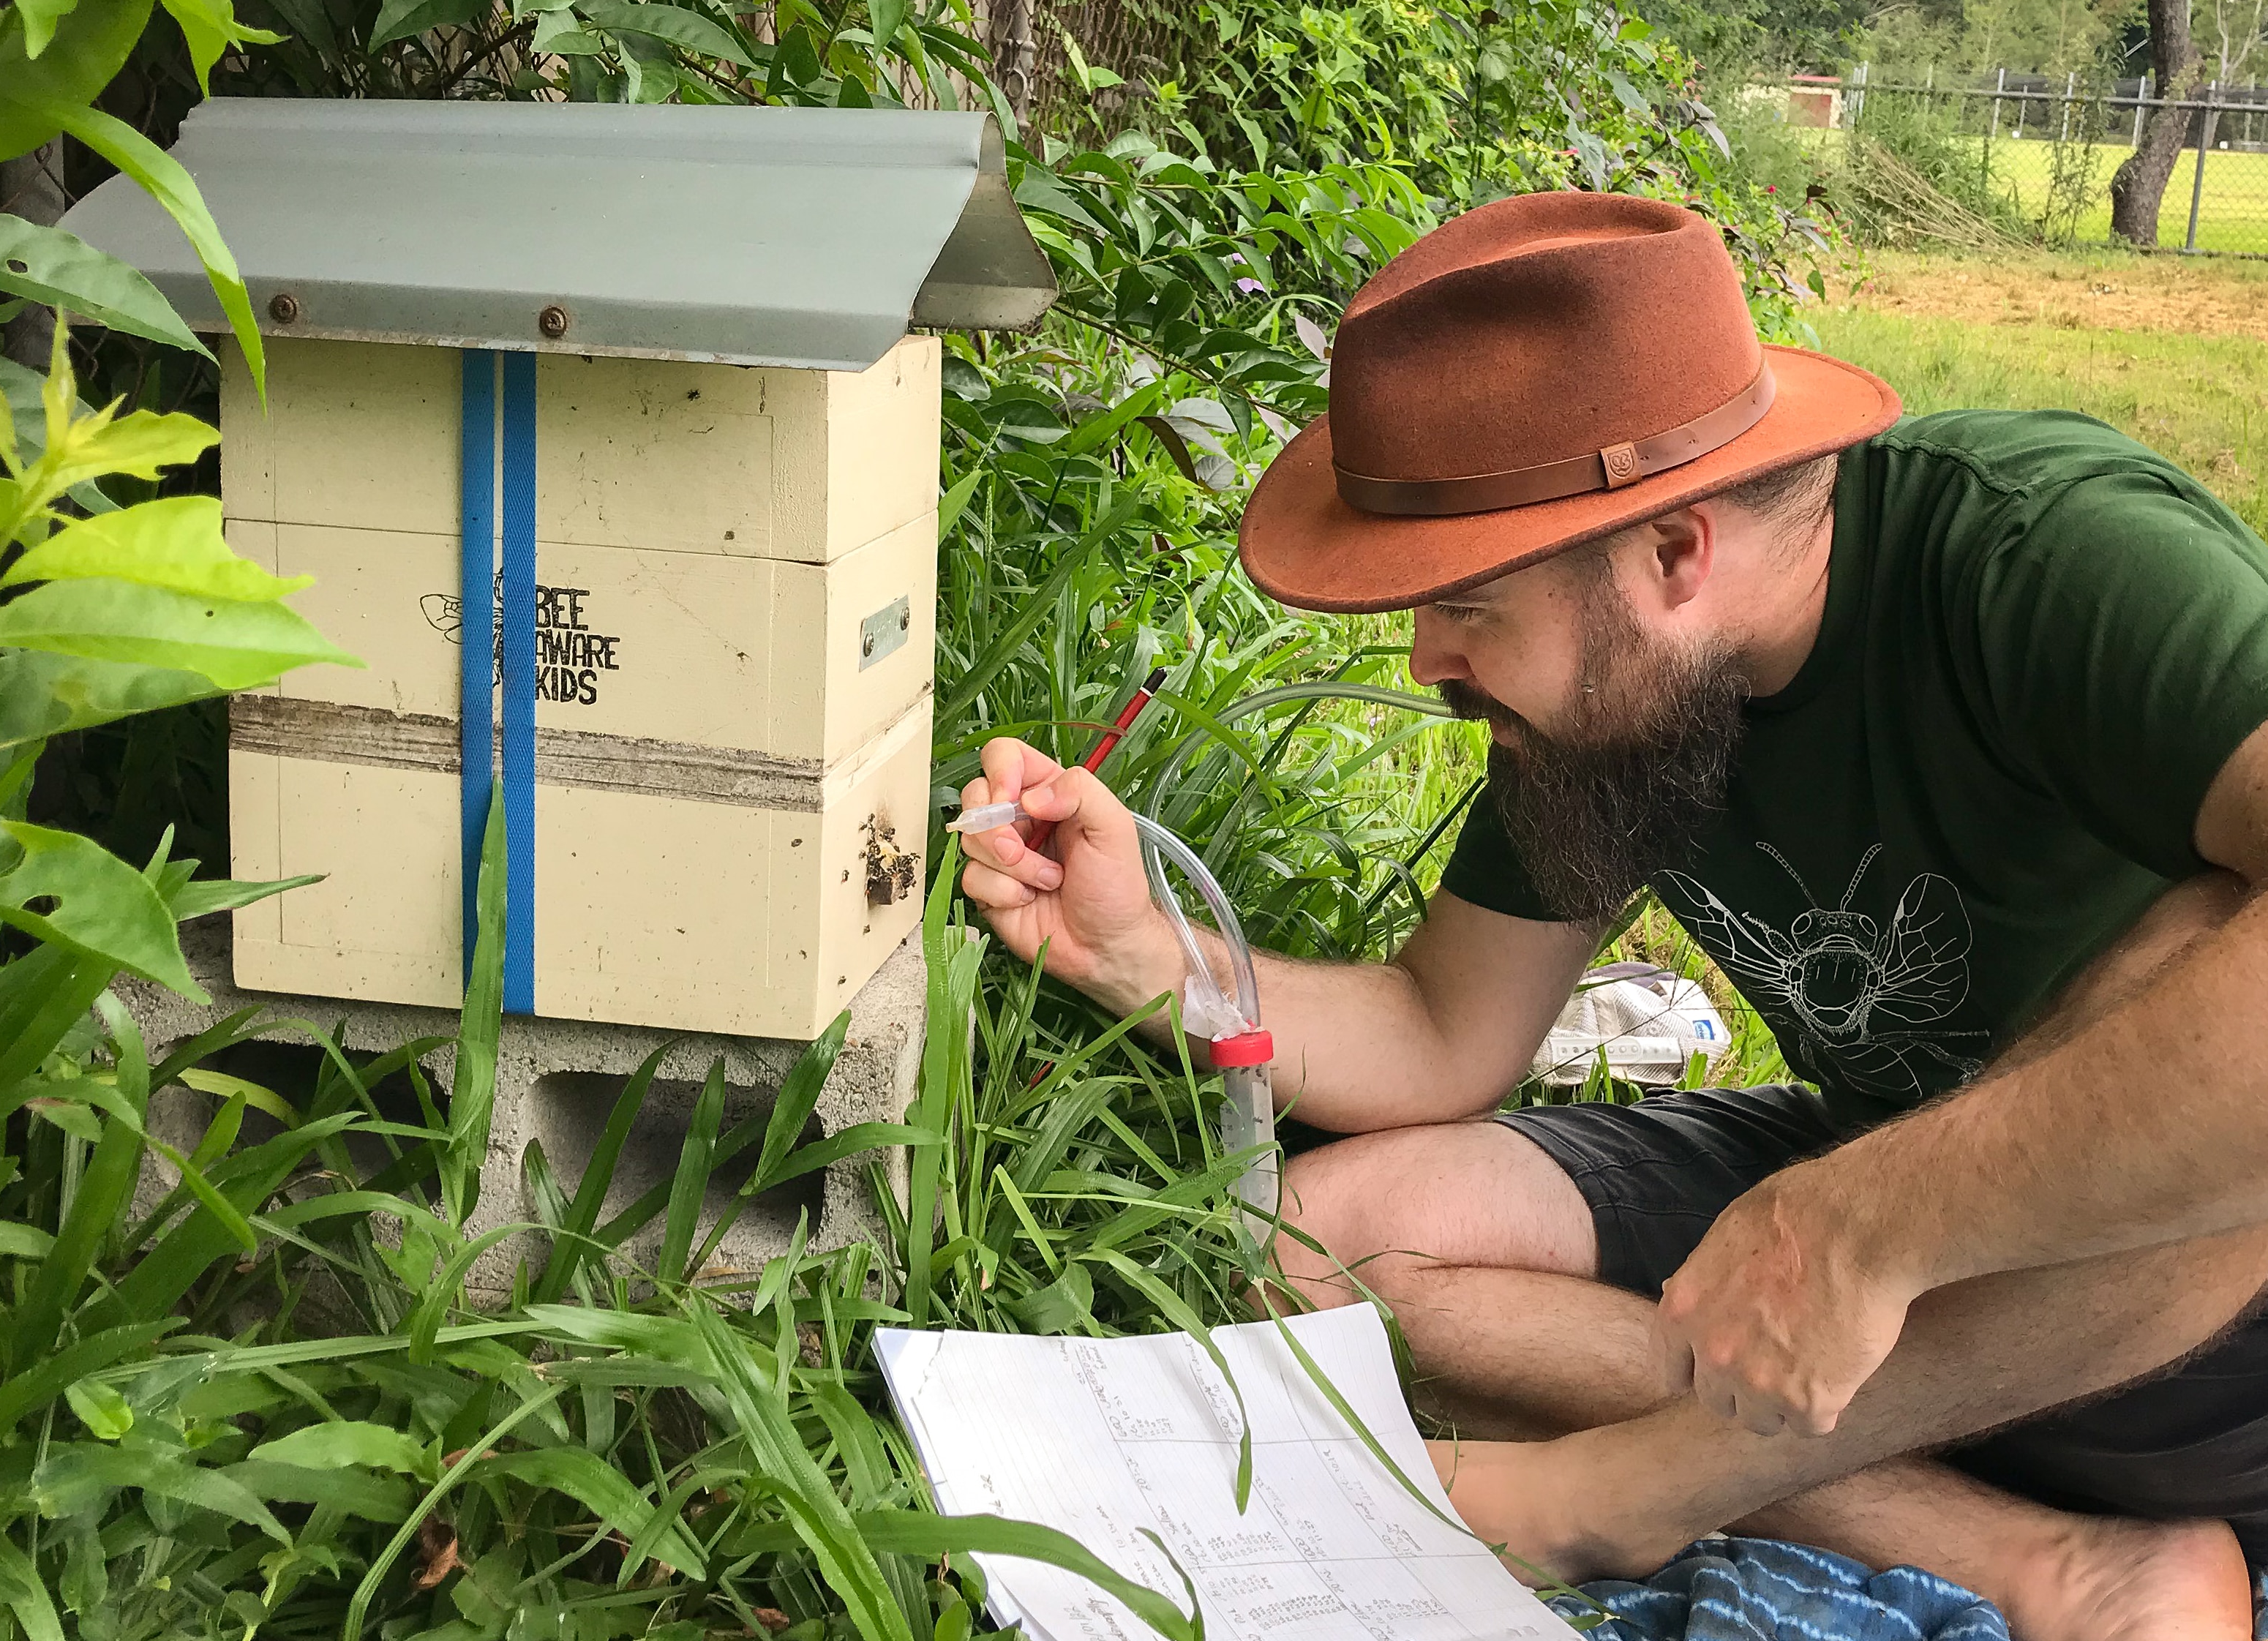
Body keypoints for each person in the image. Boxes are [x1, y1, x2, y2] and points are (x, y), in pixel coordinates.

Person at [955, 192, 2268, 1638]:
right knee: (1322, 1233)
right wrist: (1145, 951)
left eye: (1466, 605)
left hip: (2199, 1338)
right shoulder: (1612, 702)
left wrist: (1872, 1226)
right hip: (1876, 1268)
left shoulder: (2040, 559)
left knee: (2221, 967)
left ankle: (1626, 1487)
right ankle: (2044, 1558)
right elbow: (1442, 1030)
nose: (1424, 661)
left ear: (1674, 555)